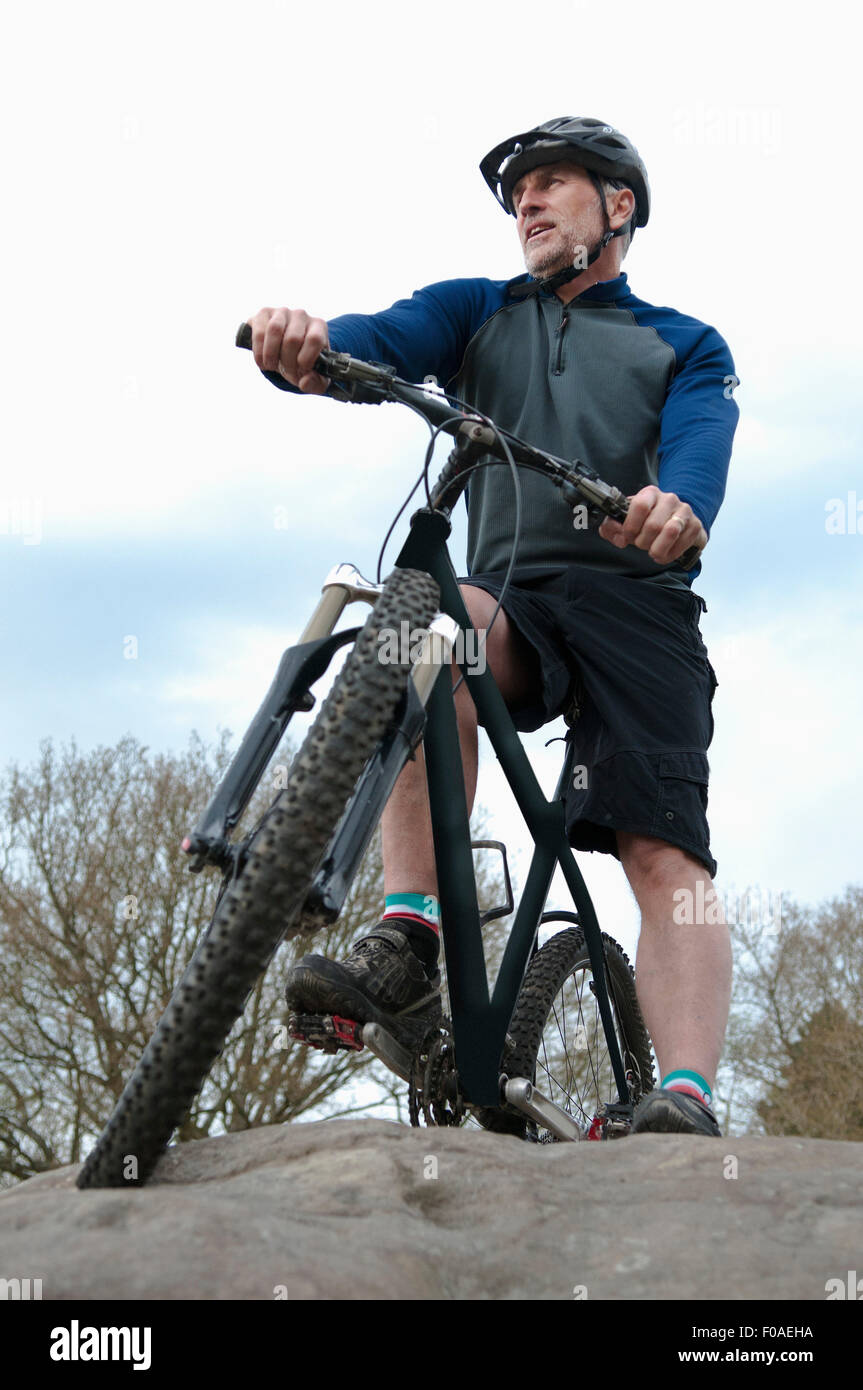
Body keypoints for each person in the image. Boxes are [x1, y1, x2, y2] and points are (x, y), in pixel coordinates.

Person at [244, 117, 739, 1137]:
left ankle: (683, 1094)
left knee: (662, 852)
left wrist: (673, 507)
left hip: (635, 605)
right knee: (433, 621)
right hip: (511, 593)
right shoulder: (474, 313)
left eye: (553, 183)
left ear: (618, 208)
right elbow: (371, 341)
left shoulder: (682, 342)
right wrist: (307, 344)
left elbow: (695, 453)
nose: (527, 203)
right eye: (518, 192)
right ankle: (411, 928)